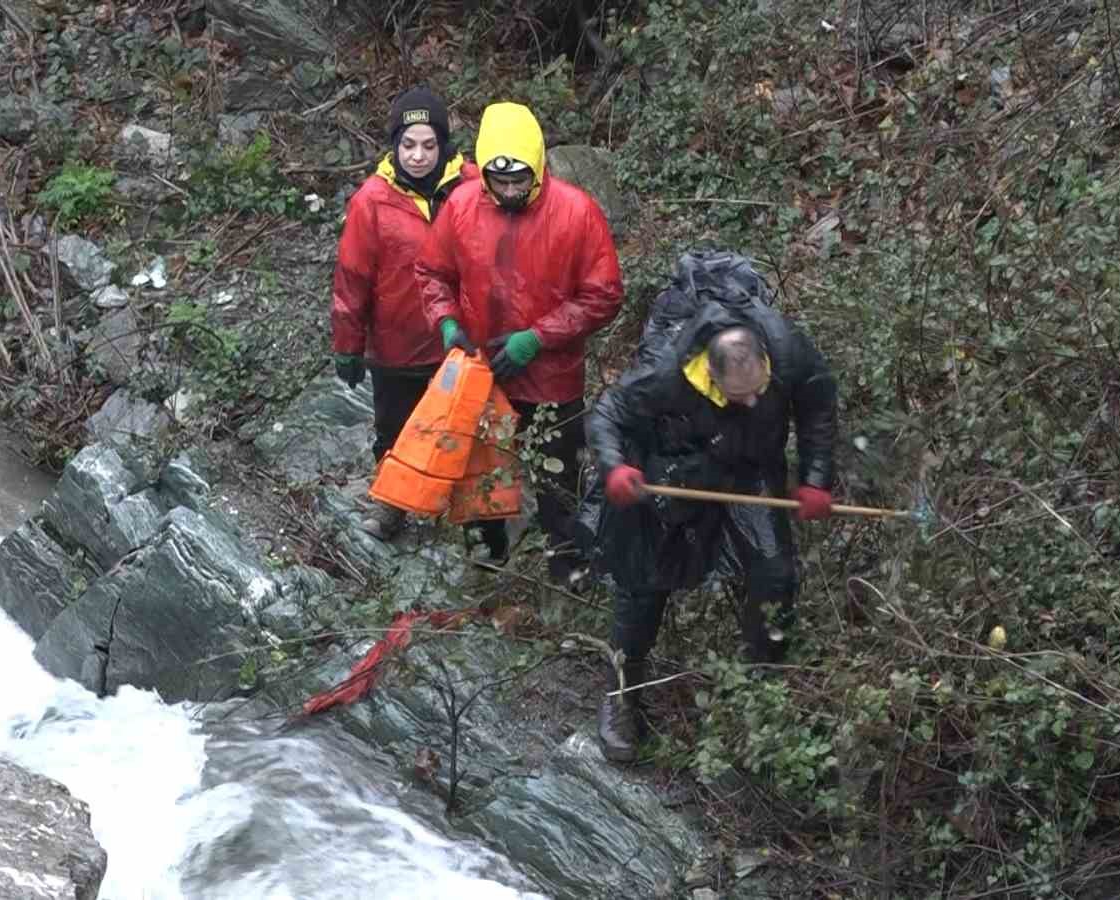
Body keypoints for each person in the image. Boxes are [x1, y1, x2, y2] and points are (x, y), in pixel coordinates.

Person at [582, 284, 838, 764]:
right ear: (712, 379)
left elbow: (818, 403)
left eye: (761, 390)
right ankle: (622, 693)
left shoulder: (786, 347)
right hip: (673, 466)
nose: (754, 400)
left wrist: (816, 477)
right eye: (741, 396)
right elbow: (608, 415)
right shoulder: (667, 373)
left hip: (749, 469)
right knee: (644, 580)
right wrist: (615, 466)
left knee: (775, 574)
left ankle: (759, 696)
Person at [414, 101, 623, 580]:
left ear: (539, 166)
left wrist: (538, 337)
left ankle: (565, 563)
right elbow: (431, 271)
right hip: (482, 368)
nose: (509, 191)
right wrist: (446, 322)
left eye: (519, 181)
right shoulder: (463, 207)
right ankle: (487, 557)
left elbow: (605, 294)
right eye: (499, 181)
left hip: (553, 376)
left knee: (558, 479)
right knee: (480, 469)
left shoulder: (576, 213)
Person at [332, 87, 475, 539]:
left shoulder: (472, 186)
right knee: (394, 428)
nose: (417, 156)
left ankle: (457, 509)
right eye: (408, 144)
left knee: (459, 425)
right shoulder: (371, 201)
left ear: (444, 145)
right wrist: (348, 346)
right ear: (394, 145)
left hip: (460, 338)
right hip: (396, 342)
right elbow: (352, 278)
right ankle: (390, 504)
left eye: (428, 145)